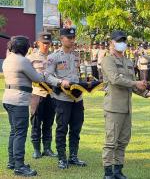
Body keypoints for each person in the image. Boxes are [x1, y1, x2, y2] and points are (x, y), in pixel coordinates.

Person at [101, 30, 149, 179]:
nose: (122, 43)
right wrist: (136, 83)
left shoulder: (128, 62)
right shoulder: (108, 60)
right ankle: (108, 172)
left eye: (124, 41)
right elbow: (115, 79)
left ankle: (118, 170)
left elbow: (132, 86)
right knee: (111, 141)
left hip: (126, 108)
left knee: (123, 141)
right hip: (114, 107)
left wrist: (145, 93)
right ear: (111, 43)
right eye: (119, 40)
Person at [45, 28, 87, 169]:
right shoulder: (54, 56)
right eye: (69, 37)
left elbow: (78, 73)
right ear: (62, 38)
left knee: (76, 127)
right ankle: (62, 158)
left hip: (77, 98)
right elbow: (47, 76)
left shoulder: (76, 55)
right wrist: (60, 82)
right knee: (62, 128)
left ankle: (73, 156)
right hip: (62, 97)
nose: (72, 40)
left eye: (73, 37)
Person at [3, 36, 44, 176]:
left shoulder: (8, 59)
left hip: (8, 99)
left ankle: (12, 161)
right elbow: (37, 78)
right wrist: (43, 75)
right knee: (20, 132)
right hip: (19, 100)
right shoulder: (23, 61)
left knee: (14, 131)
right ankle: (19, 166)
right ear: (24, 48)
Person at [27, 32, 57, 159]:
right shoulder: (31, 58)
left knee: (49, 122)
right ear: (38, 43)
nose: (46, 45)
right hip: (37, 94)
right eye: (43, 43)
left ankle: (47, 148)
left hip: (51, 94)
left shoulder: (54, 57)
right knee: (36, 122)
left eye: (48, 43)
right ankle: (36, 150)